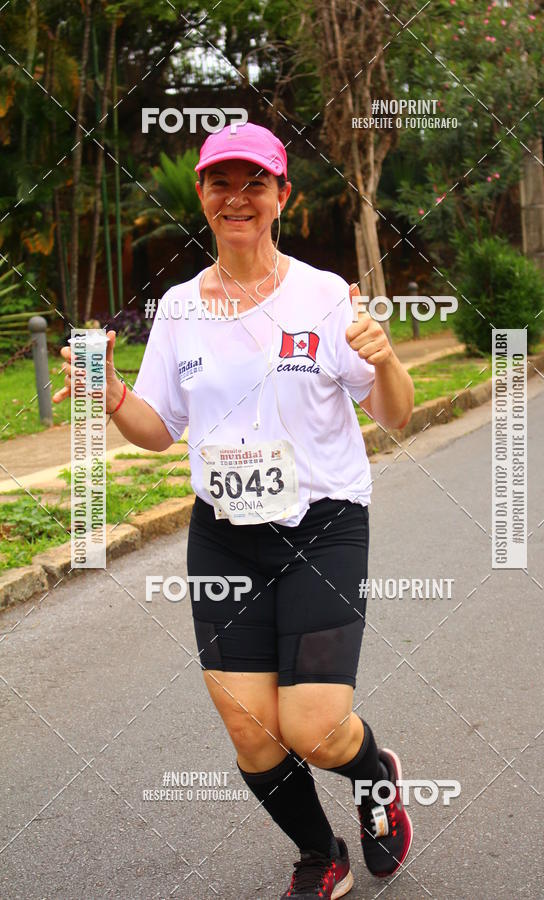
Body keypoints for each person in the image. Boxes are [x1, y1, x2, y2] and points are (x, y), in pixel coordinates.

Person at [54, 120, 415, 898]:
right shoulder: (180, 308)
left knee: (314, 729)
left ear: (283, 196)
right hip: (223, 537)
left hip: (323, 525)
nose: (238, 197)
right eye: (223, 182)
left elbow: (396, 415)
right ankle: (320, 855)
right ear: (204, 196)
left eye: (256, 182)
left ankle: (372, 774)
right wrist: (114, 397)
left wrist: (388, 362)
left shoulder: (324, 295)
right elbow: (159, 429)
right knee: (251, 730)